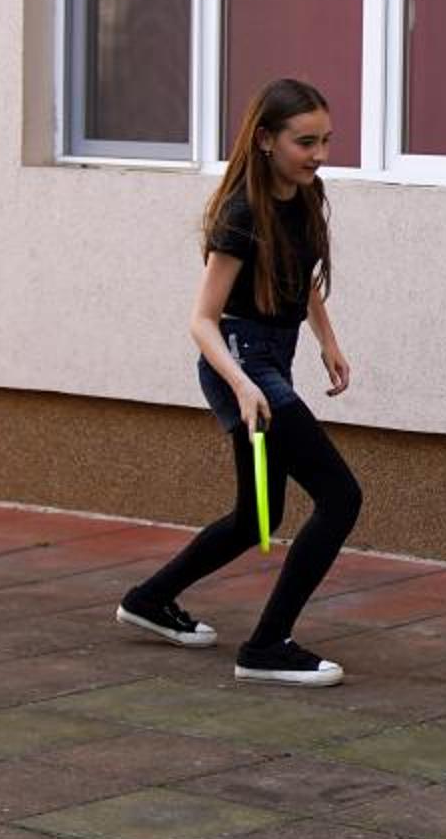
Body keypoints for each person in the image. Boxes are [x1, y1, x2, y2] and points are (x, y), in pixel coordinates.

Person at [113, 77, 360, 686]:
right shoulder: (242, 214)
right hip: (240, 362)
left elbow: (300, 276)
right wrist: (244, 386)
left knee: (256, 519)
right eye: (306, 142)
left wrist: (327, 339)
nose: (320, 155)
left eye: (326, 140)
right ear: (266, 139)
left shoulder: (305, 195)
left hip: (272, 358)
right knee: (340, 497)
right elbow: (202, 321)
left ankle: (149, 600)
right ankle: (267, 646)